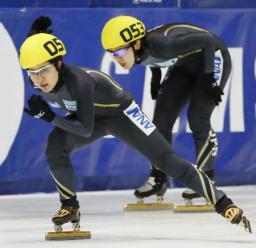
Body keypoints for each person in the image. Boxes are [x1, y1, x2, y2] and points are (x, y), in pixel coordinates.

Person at [20, 22, 248, 231]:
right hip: (92, 117)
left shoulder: (80, 82)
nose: (39, 79)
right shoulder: (43, 79)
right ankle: (70, 206)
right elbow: (80, 118)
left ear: (59, 65)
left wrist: (50, 118)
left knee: (166, 160)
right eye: (33, 73)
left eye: (45, 71)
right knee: (55, 146)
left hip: (123, 115)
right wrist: (34, 39)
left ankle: (222, 202)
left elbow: (85, 129)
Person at [101, 16, 231, 202]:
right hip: (185, 64)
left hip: (212, 56)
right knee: (161, 119)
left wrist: (209, 77)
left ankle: (206, 179)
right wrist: (156, 77)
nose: (117, 59)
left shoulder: (164, 45)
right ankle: (158, 178)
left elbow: (208, 40)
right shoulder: (138, 50)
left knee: (198, 118)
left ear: (136, 44)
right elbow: (151, 59)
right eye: (111, 53)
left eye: (120, 52)